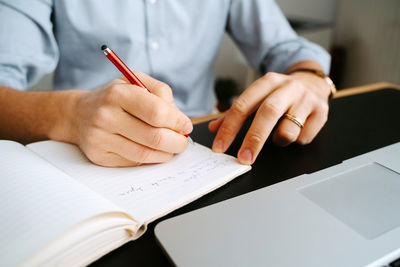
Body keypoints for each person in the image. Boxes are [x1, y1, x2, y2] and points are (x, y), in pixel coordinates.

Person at [0, 0, 333, 167]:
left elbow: (285, 47)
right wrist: (72, 115)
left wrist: (311, 78)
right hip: (78, 150)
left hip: (202, 143)